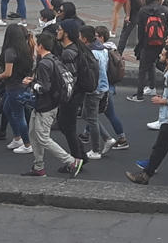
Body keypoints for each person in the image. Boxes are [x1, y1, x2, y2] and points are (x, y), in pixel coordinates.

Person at [21, 33, 83, 177]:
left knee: (42, 137)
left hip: (45, 107)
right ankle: (38, 166)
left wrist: (31, 83)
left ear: (40, 46)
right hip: (50, 105)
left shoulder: (43, 64)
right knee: (33, 134)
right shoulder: (54, 60)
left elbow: (44, 88)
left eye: (37, 44)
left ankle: (71, 161)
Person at [127, 45, 168, 184]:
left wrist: (163, 100)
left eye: (163, 54)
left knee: (163, 148)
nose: (160, 56)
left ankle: (146, 175)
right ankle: (147, 174)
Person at [78, 26, 114, 160]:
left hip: (94, 88)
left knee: (91, 119)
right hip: (103, 86)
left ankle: (96, 150)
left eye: (80, 37)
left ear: (85, 39)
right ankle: (107, 138)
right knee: (88, 116)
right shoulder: (103, 49)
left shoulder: (91, 52)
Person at [0, 24, 33, 154]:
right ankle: (18, 138)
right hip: (22, 86)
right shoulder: (25, 49)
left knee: (19, 115)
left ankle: (27, 143)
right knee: (7, 109)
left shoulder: (9, 52)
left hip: (13, 87)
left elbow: (8, 73)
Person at [130, 0, 168, 101]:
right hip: (162, 44)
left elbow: (141, 30)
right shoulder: (166, 10)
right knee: (165, 67)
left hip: (147, 44)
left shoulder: (143, 10)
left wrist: (140, 44)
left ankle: (140, 94)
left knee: (143, 69)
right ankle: (161, 90)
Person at [95, 26, 129, 150]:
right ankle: (86, 134)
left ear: (101, 37)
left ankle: (122, 139)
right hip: (110, 86)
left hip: (104, 87)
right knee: (93, 113)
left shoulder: (103, 51)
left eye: (96, 36)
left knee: (97, 114)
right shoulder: (112, 48)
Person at [55, 20, 85, 162]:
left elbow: (70, 77)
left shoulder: (68, 53)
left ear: (66, 33)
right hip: (76, 94)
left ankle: (76, 159)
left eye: (59, 29)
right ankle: (81, 155)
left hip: (71, 95)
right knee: (65, 124)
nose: (57, 31)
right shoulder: (75, 48)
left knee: (68, 127)